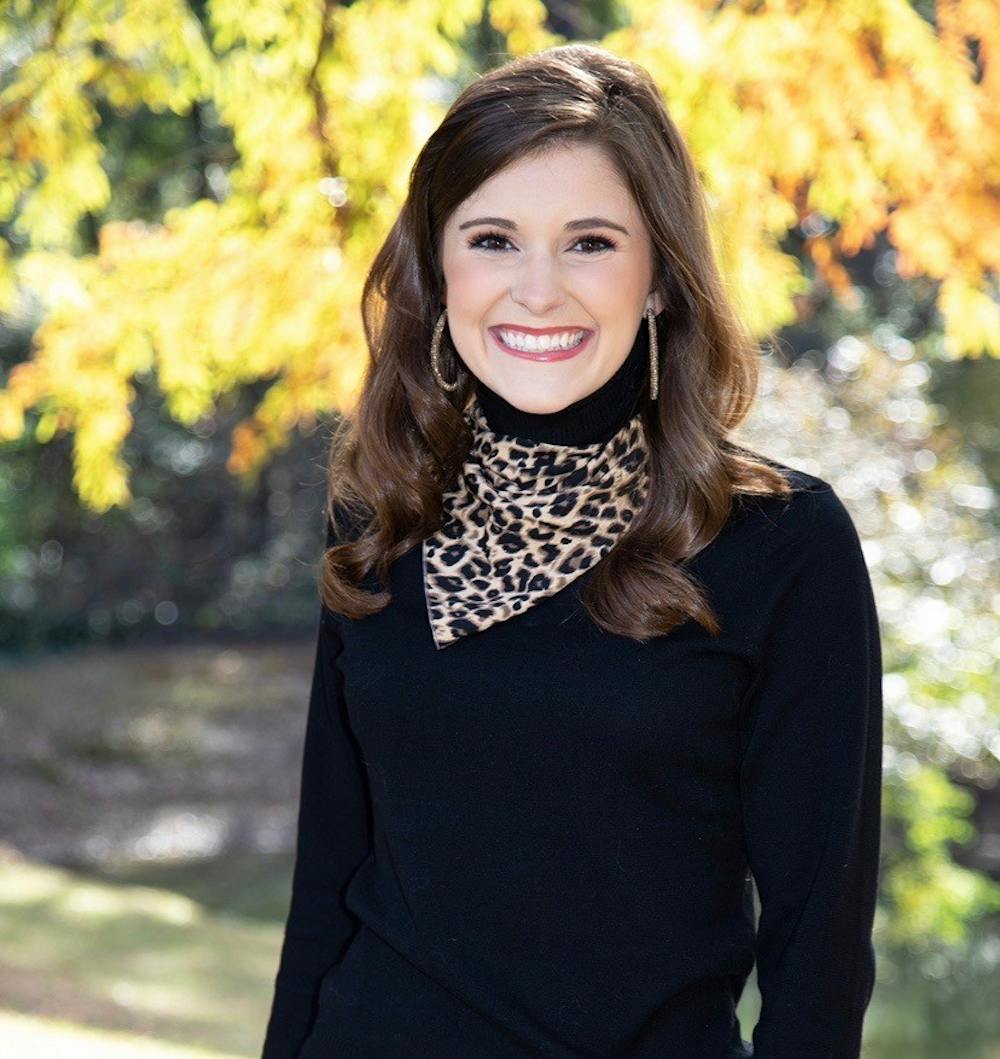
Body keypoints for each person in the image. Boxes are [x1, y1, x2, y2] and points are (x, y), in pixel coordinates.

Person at [261, 42, 883, 1059]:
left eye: (590, 242)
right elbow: (326, 881)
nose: (538, 290)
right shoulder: (383, 513)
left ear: (660, 276)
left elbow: (819, 949)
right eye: (493, 240)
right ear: (439, 271)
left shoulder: (780, 543)